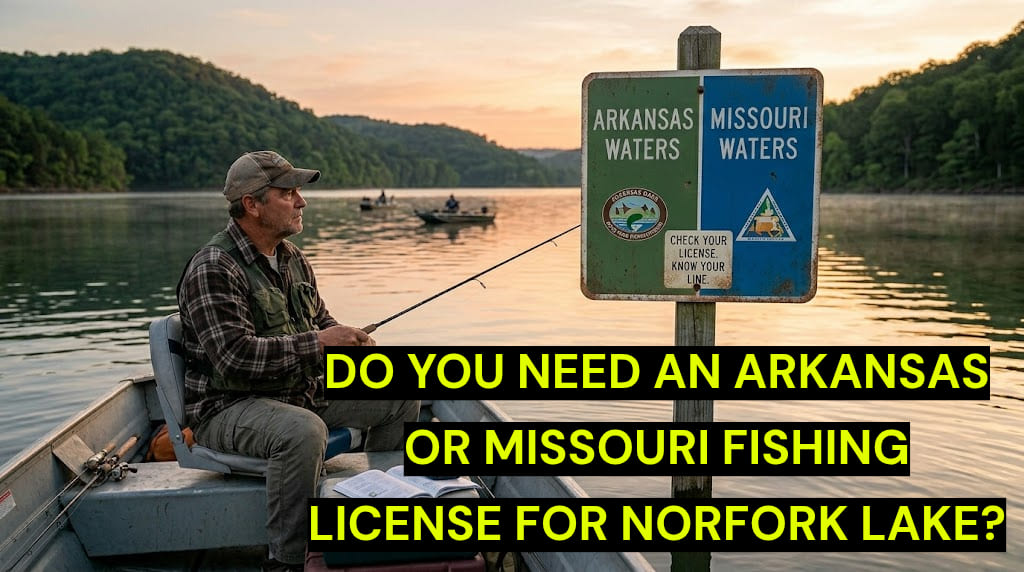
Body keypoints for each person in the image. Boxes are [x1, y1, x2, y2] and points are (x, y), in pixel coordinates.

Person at [176, 150, 419, 572]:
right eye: (288, 193)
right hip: (227, 407)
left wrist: (351, 343)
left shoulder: (293, 259)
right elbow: (234, 358)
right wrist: (320, 343)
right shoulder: (214, 266)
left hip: (297, 394)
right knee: (303, 431)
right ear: (252, 204)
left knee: (402, 389)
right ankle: (287, 561)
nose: (301, 201)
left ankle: (379, 506)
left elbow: (321, 322)